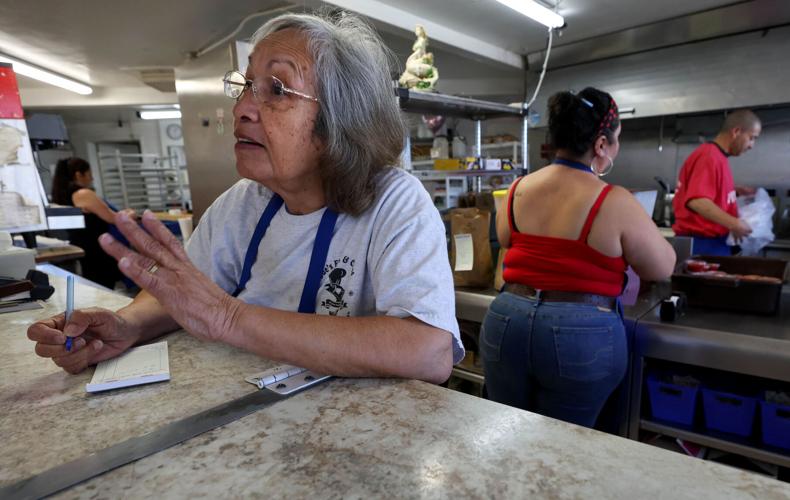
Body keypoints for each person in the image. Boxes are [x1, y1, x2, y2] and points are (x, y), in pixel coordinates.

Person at [28, 11, 463, 384]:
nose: (241, 109)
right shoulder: (245, 201)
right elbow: (186, 294)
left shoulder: (394, 202)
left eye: (276, 89)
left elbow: (427, 350)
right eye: (246, 85)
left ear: (340, 118)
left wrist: (228, 318)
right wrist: (127, 325)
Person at [480, 88, 676, 427]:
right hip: (578, 336)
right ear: (601, 144)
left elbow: (506, 239)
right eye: (616, 140)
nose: (616, 147)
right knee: (565, 446)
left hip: (507, 320)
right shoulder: (613, 200)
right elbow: (662, 267)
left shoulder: (517, 189)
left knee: (508, 436)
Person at [672, 110, 761, 256]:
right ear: (736, 131)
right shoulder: (709, 156)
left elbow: (709, 193)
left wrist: (735, 191)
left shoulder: (719, 157)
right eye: (751, 138)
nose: (752, 145)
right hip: (701, 244)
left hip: (715, 243)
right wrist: (735, 223)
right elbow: (697, 201)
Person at [50, 157, 132, 289]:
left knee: (95, 287)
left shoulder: (61, 195)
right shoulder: (83, 194)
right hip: (97, 250)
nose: (92, 178)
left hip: (83, 246)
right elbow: (112, 218)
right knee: (103, 286)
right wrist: (130, 214)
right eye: (89, 174)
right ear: (78, 174)